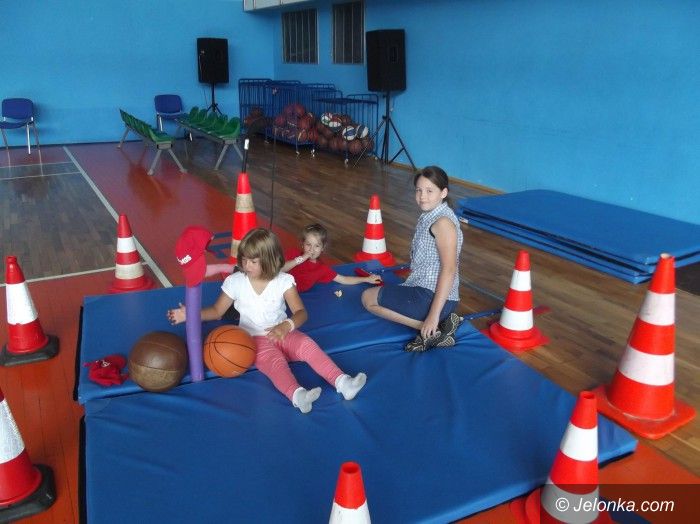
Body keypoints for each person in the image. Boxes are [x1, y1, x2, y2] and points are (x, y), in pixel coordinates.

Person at [168, 227, 366, 414]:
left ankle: (343, 383)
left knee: (307, 344)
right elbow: (216, 311)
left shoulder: (283, 281)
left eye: (253, 261)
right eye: (244, 259)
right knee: (275, 362)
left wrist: (286, 325)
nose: (246, 265)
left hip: (284, 332)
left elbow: (301, 313)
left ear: (269, 260)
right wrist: (189, 314)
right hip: (254, 339)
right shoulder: (235, 282)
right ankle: (298, 396)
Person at [362, 166, 463, 352]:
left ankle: (429, 329)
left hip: (433, 299)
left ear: (444, 193)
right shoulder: (434, 214)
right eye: (419, 190)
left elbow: (449, 270)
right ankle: (441, 321)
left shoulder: (442, 223)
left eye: (429, 191)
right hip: (436, 297)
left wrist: (432, 316)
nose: (422, 196)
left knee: (367, 298)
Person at [282, 223, 382, 292]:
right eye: (308, 244)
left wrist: (366, 279)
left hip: (291, 294)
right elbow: (280, 269)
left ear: (322, 248)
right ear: (302, 244)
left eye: (317, 246)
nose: (312, 249)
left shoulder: (321, 269)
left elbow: (343, 279)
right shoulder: (293, 253)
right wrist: (301, 258)